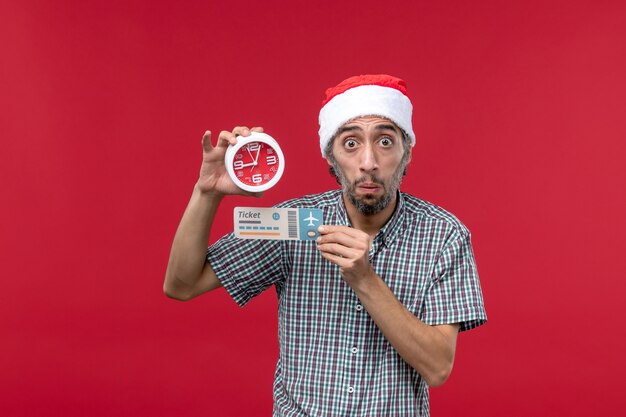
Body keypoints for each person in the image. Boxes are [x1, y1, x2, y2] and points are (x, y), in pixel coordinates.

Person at [164, 74, 487, 416]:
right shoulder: (292, 224)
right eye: (350, 143)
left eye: (385, 142)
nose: (368, 162)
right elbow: (182, 284)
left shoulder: (444, 235)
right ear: (329, 157)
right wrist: (208, 192)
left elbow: (437, 368)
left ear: (406, 153)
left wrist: (365, 279)